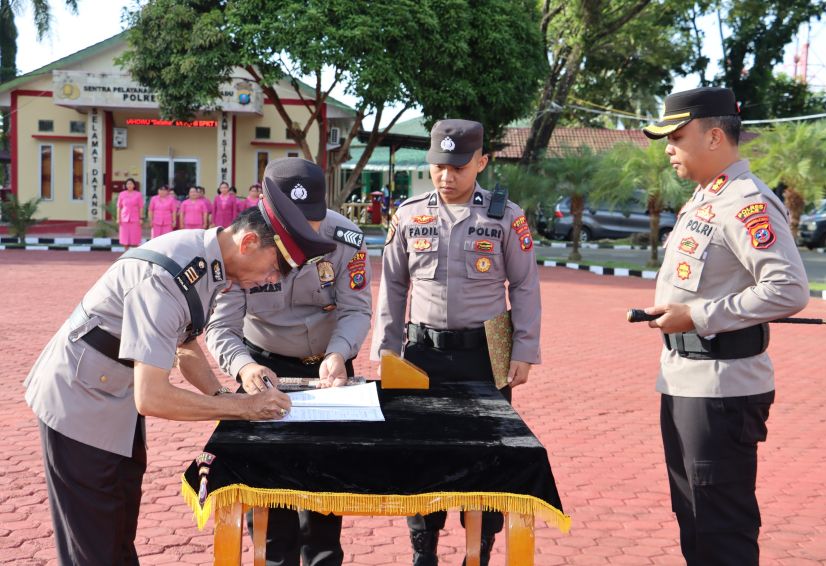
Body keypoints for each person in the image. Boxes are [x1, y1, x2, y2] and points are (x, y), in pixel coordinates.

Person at [24, 179, 337, 566]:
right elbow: (153, 396)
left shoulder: (208, 266)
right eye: (276, 269)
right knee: (94, 547)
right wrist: (244, 409)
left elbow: (185, 347)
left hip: (115, 403)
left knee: (119, 534)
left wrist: (225, 397)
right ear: (249, 243)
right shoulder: (169, 277)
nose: (273, 281)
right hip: (79, 403)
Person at [640, 87, 809, 565]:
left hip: (722, 389)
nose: (668, 148)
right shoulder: (707, 197)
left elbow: (788, 289)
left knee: (722, 531)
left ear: (715, 136)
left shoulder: (746, 201)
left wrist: (696, 316)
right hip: (685, 380)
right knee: (695, 523)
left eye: (676, 136)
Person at [370, 119, 542, 566]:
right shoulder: (409, 215)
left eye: (459, 167)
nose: (447, 176)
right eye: (439, 166)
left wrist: (523, 350)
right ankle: (423, 551)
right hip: (422, 354)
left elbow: (524, 287)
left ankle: (477, 552)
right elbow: (391, 286)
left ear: (481, 162)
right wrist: (386, 348)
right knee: (423, 454)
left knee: (486, 456)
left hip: (488, 352)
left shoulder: (506, 216)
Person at [206, 157, 372, 566]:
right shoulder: (241, 242)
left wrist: (339, 353)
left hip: (329, 370)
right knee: (268, 490)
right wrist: (244, 368)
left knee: (326, 489)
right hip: (263, 368)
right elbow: (222, 328)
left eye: (312, 221)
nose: (306, 232)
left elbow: (355, 309)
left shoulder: (346, 239)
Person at [116, 178, 143, 248]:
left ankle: (134, 254)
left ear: (134, 185)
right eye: (128, 184)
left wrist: (141, 218)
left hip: (135, 218)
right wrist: (118, 218)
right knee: (125, 237)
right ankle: (126, 252)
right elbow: (119, 207)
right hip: (124, 218)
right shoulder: (122, 194)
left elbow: (141, 207)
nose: (129, 185)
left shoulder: (138, 194)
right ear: (125, 185)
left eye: (131, 184)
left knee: (135, 237)